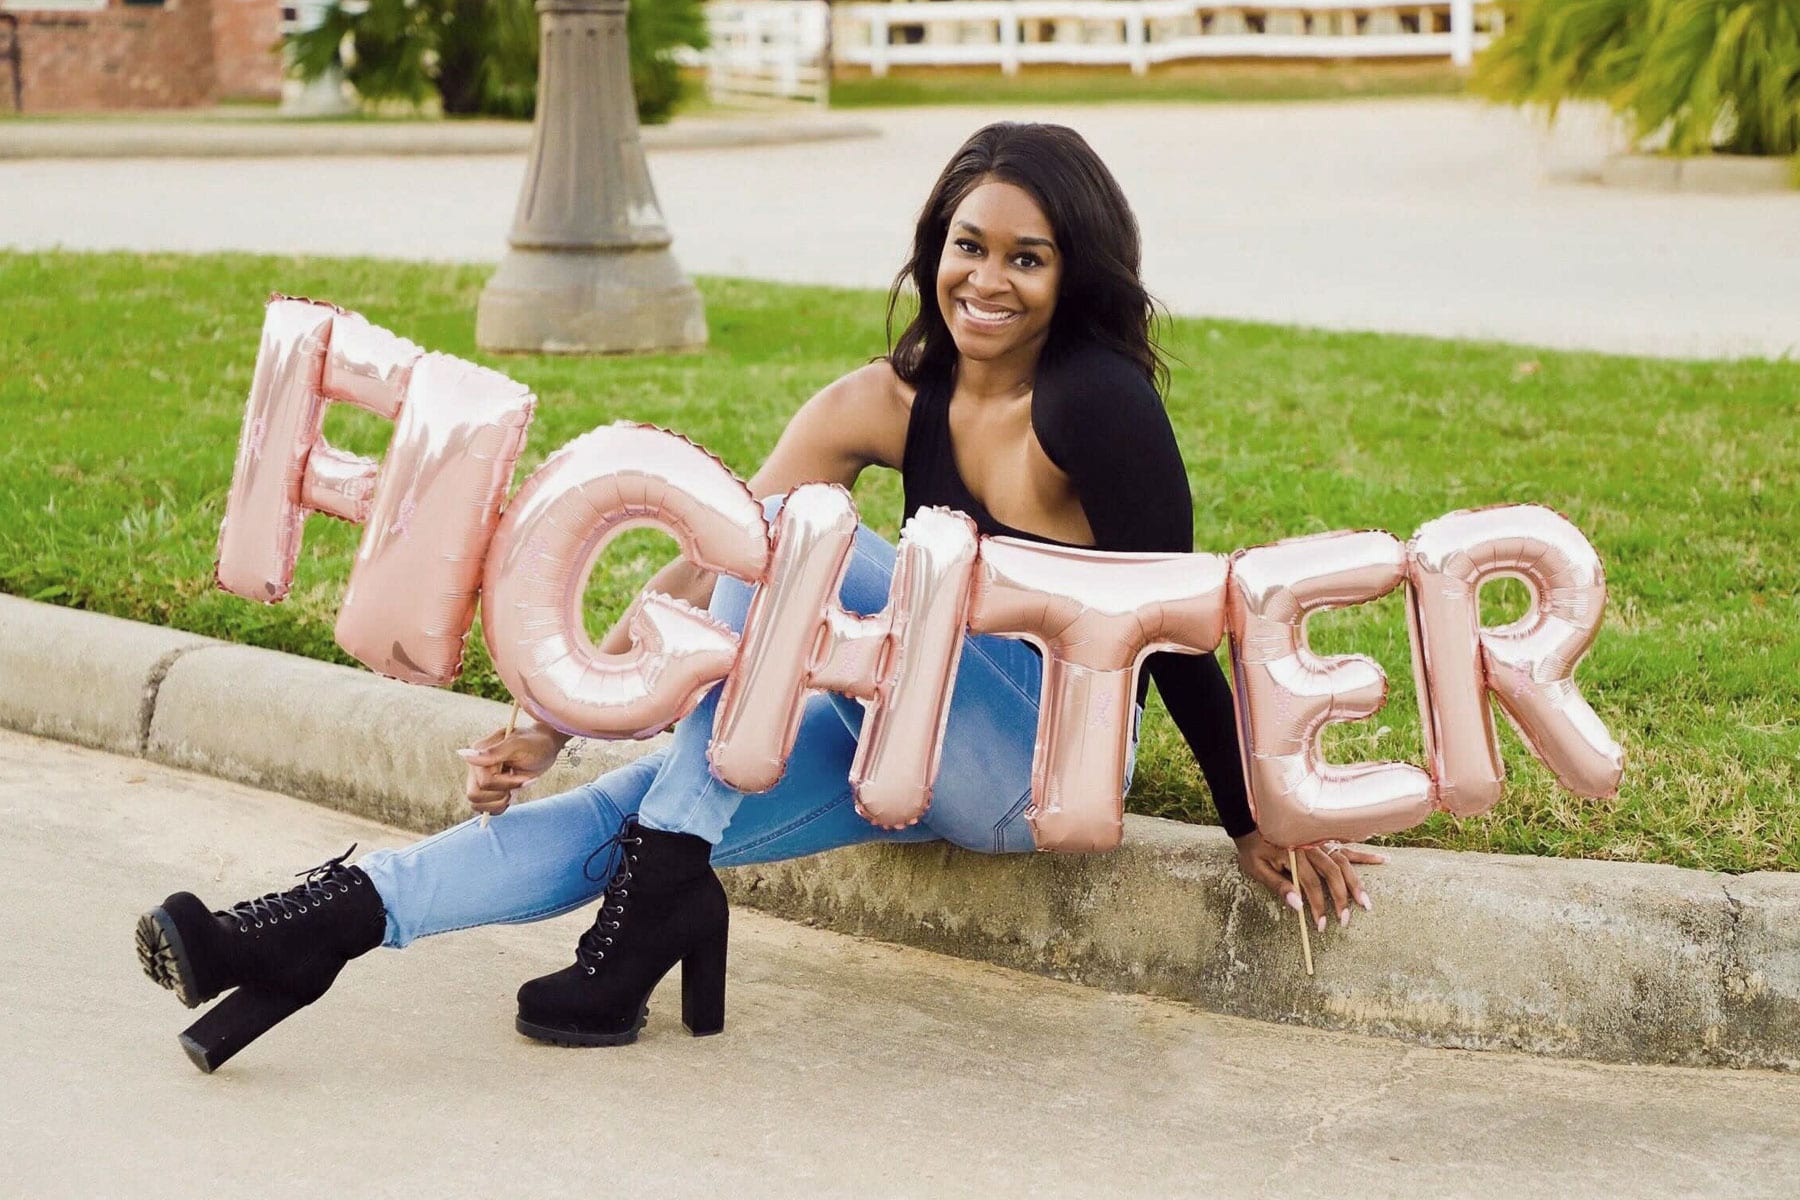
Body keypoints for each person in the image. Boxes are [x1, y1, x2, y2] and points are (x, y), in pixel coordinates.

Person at [135, 122, 1383, 1074]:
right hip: (898, 734)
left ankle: (664, 884)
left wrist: (1253, 812)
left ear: (1078, 273)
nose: (987, 280)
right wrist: (554, 715)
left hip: (1031, 766)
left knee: (795, 536)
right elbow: (705, 569)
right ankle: (309, 934)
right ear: (930, 247)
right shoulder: (881, 403)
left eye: (1027, 257)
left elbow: (1176, 626)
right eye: (967, 245)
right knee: (634, 794)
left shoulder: (1101, 405)